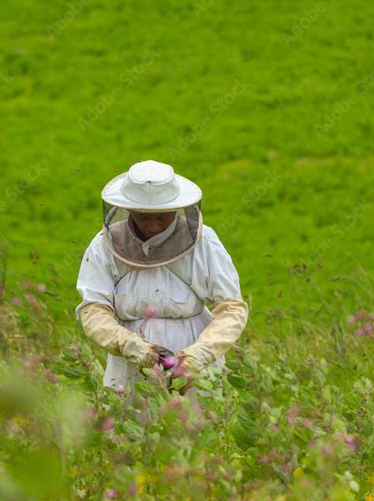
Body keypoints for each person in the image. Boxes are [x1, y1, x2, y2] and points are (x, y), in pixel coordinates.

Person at [75, 159, 249, 406]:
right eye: (144, 217)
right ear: (129, 209)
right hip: (129, 366)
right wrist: (129, 345)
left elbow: (232, 308)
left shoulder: (204, 242)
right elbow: (93, 310)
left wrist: (198, 356)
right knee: (130, 434)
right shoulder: (105, 244)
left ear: (176, 208)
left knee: (195, 435)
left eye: (161, 217)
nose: (152, 226)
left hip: (194, 362)